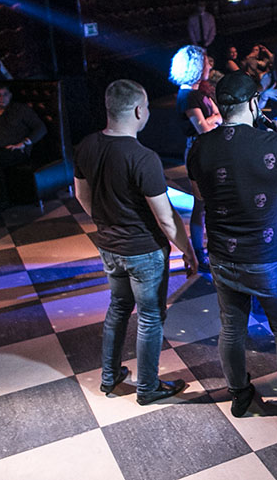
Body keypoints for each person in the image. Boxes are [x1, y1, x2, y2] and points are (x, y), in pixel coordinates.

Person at [186, 72, 277, 433]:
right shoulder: (273, 143)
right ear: (253, 104)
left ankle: (240, 395)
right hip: (268, 259)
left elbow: (201, 197)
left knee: (232, 328)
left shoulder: (199, 147)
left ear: (219, 105)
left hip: (222, 257)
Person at [73, 79, 197, 405]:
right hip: (144, 251)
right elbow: (165, 218)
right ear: (140, 111)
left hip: (109, 246)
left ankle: (110, 377)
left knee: (118, 308)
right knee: (150, 317)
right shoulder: (143, 157)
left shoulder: (86, 145)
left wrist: (107, 221)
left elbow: (81, 195)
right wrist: (188, 250)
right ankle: (148, 387)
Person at [170, 45, 222, 273]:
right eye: (205, 62)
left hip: (207, 150)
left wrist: (214, 119)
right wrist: (215, 119)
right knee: (201, 205)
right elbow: (204, 129)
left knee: (208, 204)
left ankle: (208, 250)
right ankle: (200, 254)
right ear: (195, 66)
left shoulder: (198, 93)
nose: (209, 65)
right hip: (198, 152)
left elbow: (218, 117)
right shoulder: (188, 96)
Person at [0, 85, 47, 210]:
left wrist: (24, 143)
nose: (2, 98)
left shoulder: (20, 110)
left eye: (5, 94)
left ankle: (3, 199)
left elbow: (41, 128)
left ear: (10, 95)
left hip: (17, 150)